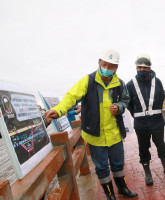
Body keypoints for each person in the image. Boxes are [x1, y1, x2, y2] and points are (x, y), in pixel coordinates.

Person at [45, 49, 138, 200]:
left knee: (118, 163)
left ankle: (123, 189)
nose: (107, 68)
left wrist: (119, 107)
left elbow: (125, 100)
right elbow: (71, 97)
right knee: (101, 167)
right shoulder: (88, 81)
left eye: (111, 66)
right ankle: (109, 195)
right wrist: (59, 109)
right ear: (99, 63)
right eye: (104, 64)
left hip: (114, 134)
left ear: (116, 68)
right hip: (95, 135)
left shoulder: (120, 84)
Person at [126, 53, 165, 185]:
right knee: (143, 147)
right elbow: (128, 103)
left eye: (145, 67)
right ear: (136, 68)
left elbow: (160, 98)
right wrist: (137, 114)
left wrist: (154, 113)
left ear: (150, 68)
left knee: (161, 145)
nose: (142, 70)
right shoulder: (130, 84)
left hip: (157, 121)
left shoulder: (157, 81)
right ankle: (147, 173)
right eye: (139, 67)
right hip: (140, 123)